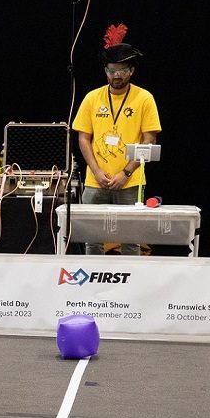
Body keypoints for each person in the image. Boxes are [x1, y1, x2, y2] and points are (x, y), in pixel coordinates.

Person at [72, 26, 161, 255]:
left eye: (122, 70)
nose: (116, 75)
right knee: (93, 238)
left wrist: (126, 173)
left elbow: (149, 138)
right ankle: (93, 281)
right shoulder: (92, 98)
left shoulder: (144, 98)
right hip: (95, 180)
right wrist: (96, 170)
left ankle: (130, 283)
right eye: (112, 70)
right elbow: (83, 137)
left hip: (130, 181)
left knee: (131, 238)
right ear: (105, 71)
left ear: (131, 71)